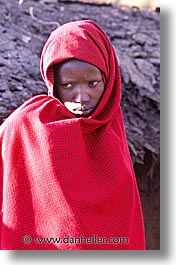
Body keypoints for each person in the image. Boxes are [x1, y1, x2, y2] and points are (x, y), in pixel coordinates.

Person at [0, 20, 145, 250]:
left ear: (108, 80)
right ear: (53, 82)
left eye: (92, 83)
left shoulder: (110, 123)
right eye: (67, 86)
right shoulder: (28, 126)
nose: (81, 97)